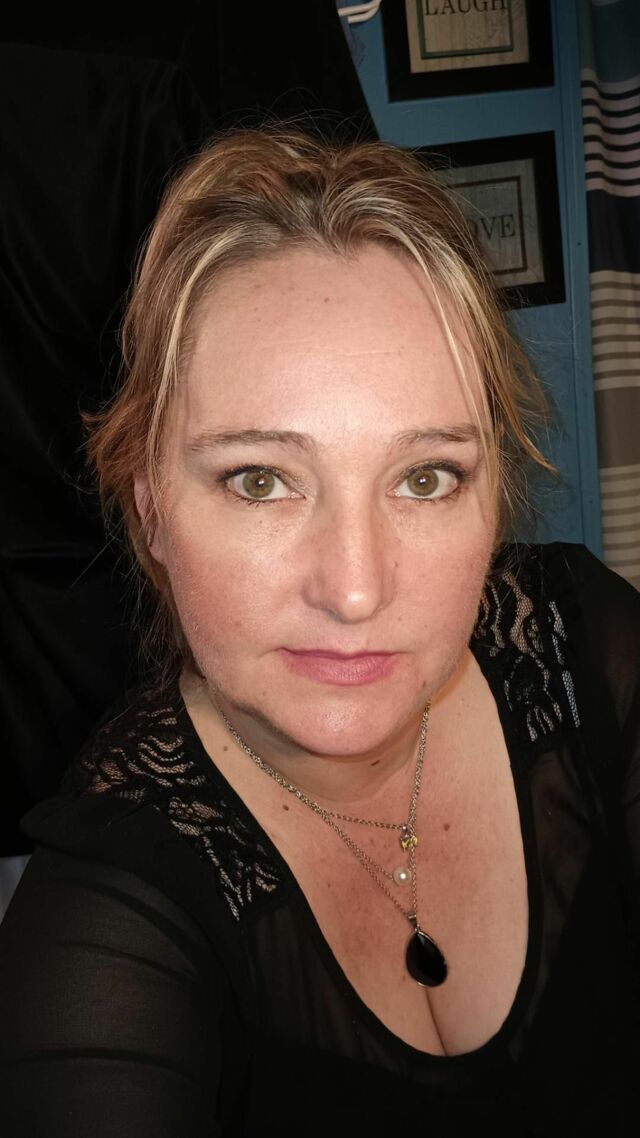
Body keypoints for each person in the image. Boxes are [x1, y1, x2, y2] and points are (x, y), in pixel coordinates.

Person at [0, 127, 638, 1137]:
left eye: (424, 477)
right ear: (153, 514)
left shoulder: (584, 651)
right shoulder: (105, 924)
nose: (354, 589)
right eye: (260, 480)